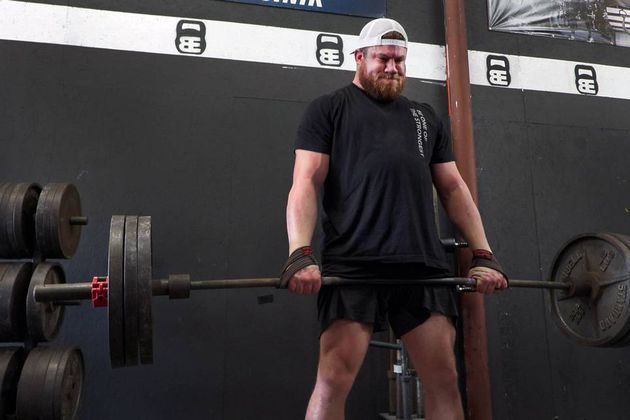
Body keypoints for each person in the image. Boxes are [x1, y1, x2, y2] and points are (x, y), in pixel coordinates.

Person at [281, 18, 508, 420]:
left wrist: (483, 253)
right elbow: (305, 183)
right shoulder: (328, 110)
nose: (392, 68)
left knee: (443, 379)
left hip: (420, 267)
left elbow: (454, 189)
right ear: (360, 57)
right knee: (332, 380)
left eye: (400, 61)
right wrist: (300, 252)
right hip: (354, 267)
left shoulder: (424, 117)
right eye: (383, 58)